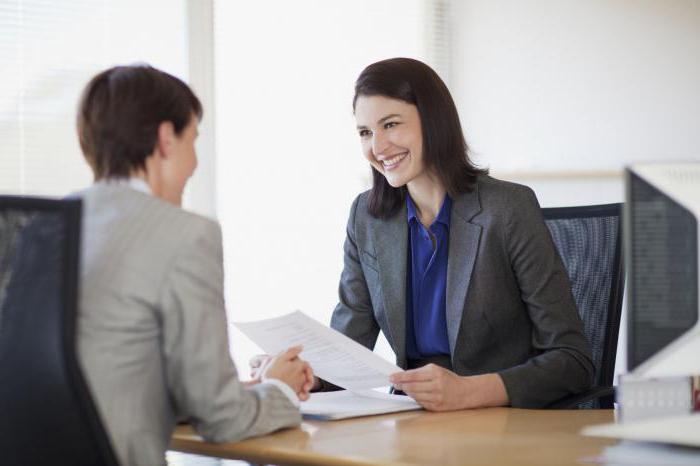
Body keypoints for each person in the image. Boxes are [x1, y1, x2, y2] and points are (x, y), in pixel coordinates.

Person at [321, 57, 594, 410]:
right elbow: (347, 347)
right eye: (365, 132)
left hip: (501, 420)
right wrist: (304, 374)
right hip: (412, 417)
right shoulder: (367, 218)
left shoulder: (508, 209)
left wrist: (468, 392)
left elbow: (573, 361)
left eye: (391, 125)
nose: (378, 147)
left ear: (434, 122)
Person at [75, 65, 312, 466]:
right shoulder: (186, 234)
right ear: (167, 138)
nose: (194, 163)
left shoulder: (46, 224)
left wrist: (239, 389)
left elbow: (108, 374)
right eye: (193, 141)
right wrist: (280, 390)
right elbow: (223, 420)